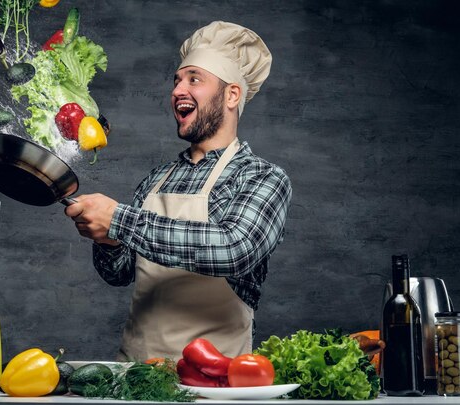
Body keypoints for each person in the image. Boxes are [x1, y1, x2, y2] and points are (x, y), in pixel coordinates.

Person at [64, 21, 292, 361]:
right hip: (137, 378)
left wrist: (119, 221)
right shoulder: (158, 178)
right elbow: (120, 274)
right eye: (176, 80)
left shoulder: (261, 177)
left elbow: (234, 249)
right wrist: (108, 239)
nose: (177, 90)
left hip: (216, 386)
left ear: (232, 94)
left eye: (193, 79)